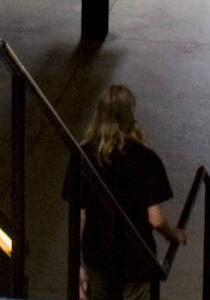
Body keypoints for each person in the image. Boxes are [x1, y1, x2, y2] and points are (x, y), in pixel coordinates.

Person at [62, 83, 186, 300]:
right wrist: (174, 234)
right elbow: (155, 220)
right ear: (130, 116)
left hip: (97, 255)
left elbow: (80, 216)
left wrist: (79, 266)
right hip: (136, 258)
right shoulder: (146, 158)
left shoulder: (82, 157)